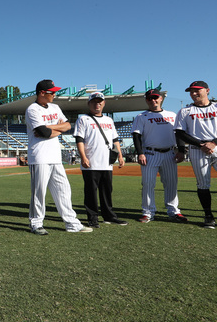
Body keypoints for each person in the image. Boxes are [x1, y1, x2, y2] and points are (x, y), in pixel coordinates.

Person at [25, 79, 92, 235]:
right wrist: (55, 128)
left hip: (55, 156)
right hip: (39, 156)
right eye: (52, 92)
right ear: (42, 93)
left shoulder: (55, 107)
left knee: (64, 190)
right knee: (39, 192)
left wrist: (53, 128)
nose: (55, 94)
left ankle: (72, 223)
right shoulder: (32, 109)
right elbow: (43, 133)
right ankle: (36, 223)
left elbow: (68, 125)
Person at [131, 88, 187, 223]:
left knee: (171, 183)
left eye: (155, 97)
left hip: (169, 153)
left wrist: (181, 150)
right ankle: (148, 212)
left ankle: (173, 211)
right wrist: (140, 153)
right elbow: (136, 135)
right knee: (148, 183)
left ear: (161, 98)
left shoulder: (172, 115)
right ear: (146, 100)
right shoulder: (141, 116)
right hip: (150, 153)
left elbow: (179, 134)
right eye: (150, 98)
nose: (153, 100)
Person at [73, 92, 128, 228]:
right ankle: (92, 218)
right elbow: (79, 139)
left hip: (107, 162)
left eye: (100, 101)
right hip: (91, 162)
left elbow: (115, 140)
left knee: (107, 191)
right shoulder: (83, 119)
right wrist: (83, 157)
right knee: (91, 192)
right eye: (94, 102)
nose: (97, 104)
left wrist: (120, 156)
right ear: (89, 103)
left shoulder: (109, 120)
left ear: (104, 103)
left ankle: (109, 216)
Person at [174, 80, 217, 229]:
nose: (193, 94)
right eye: (191, 91)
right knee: (203, 184)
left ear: (207, 90)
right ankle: (208, 216)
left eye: (197, 90)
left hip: (216, 146)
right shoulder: (185, 111)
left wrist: (214, 143)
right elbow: (179, 133)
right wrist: (200, 145)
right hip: (197, 149)